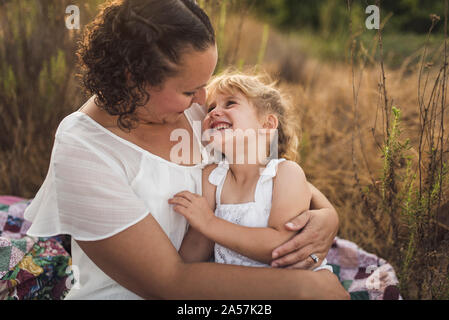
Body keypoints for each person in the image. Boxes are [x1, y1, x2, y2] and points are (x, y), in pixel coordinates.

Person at [24, 0, 347, 299]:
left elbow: (259, 171)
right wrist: (302, 288)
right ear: (134, 78)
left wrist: (326, 215)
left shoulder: (194, 111)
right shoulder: (84, 149)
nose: (202, 101)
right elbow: (170, 283)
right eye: (190, 90)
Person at [170, 71, 333, 273]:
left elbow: (279, 246)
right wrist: (169, 276)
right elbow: (198, 244)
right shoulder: (213, 178)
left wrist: (209, 222)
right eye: (211, 107)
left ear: (267, 125)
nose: (214, 112)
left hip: (290, 287)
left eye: (230, 103)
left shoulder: (285, 174)